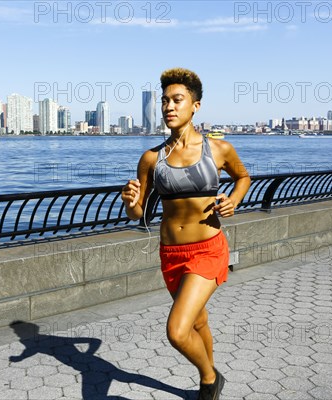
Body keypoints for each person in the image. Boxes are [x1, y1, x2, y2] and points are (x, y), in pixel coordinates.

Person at [121, 68, 251, 400]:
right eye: (165, 101)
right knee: (197, 322)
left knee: (177, 331)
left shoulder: (218, 149)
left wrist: (233, 201)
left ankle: (209, 379)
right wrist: (131, 203)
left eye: (177, 100)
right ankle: (209, 377)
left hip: (208, 249)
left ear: (196, 106)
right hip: (171, 254)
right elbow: (140, 214)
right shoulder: (151, 158)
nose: (169, 107)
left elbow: (243, 177)